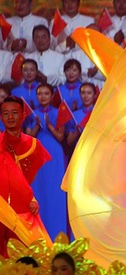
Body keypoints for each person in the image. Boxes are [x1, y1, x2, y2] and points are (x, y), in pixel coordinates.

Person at [0, 96, 50, 256]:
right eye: (5, 113)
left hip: (24, 209)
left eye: (14, 112)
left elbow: (36, 181)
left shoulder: (34, 146)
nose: (10, 117)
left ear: (23, 115)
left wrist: (33, 199)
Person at [27, 83, 70, 239]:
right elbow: (28, 137)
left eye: (46, 93)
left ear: (52, 96)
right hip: (37, 153)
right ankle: (38, 236)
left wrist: (50, 126)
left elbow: (60, 137)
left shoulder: (59, 112)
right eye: (40, 93)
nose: (43, 96)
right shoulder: (32, 114)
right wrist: (37, 125)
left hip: (55, 155)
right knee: (38, 193)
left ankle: (57, 234)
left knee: (55, 193)